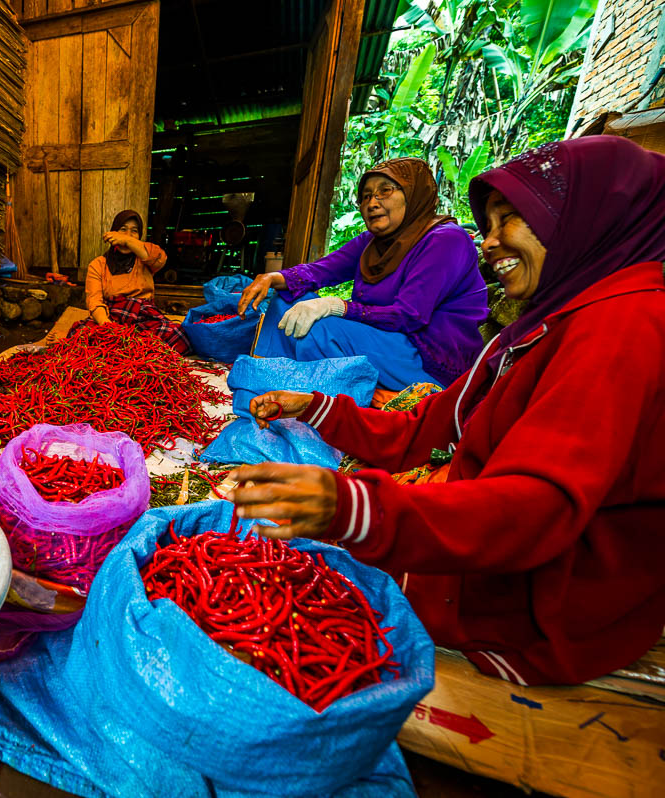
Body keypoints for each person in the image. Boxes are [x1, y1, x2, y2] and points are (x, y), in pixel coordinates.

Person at [228, 137, 665, 686]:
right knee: (274, 564)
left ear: (590, 221)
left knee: (284, 590)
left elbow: (537, 509)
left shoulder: (623, 327)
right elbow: (434, 423)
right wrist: (316, 408)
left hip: (540, 594)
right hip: (491, 535)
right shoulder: (550, 319)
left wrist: (357, 509)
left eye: (513, 220)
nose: (489, 243)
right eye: (491, 222)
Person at [238, 158, 486, 389]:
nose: (372, 203)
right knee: (286, 300)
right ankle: (264, 380)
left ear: (414, 195)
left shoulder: (446, 240)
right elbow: (320, 271)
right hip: (384, 339)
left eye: (385, 191)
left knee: (320, 330)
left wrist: (337, 306)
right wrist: (270, 278)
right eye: (366, 196)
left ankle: (314, 399)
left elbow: (409, 316)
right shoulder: (372, 242)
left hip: (428, 356)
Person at [83, 209, 190, 354]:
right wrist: (107, 326)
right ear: (113, 233)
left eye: (134, 231)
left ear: (139, 236)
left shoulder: (145, 258)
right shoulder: (98, 265)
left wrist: (127, 240)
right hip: (112, 317)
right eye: (122, 230)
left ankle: (131, 351)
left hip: (144, 317)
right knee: (83, 338)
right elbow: (94, 301)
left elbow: (160, 258)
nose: (128, 235)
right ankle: (133, 351)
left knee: (178, 336)